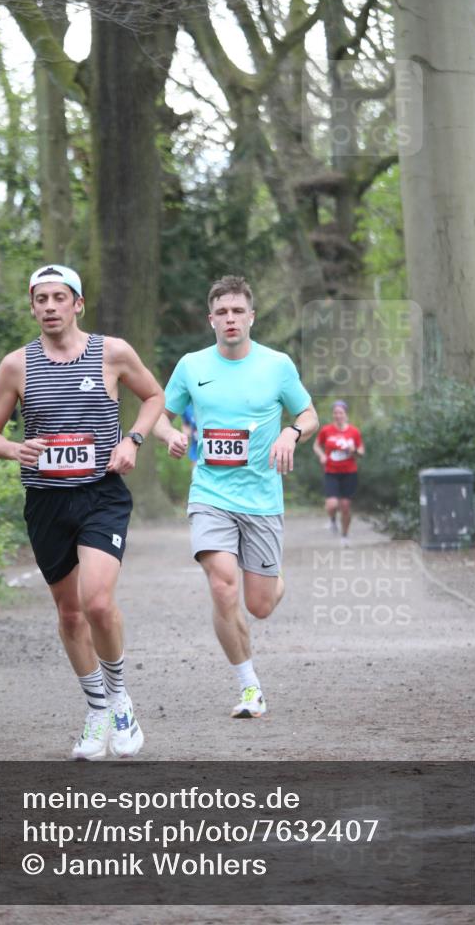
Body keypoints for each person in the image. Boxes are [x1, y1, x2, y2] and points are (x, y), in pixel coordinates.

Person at [0, 264, 164, 760]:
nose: (50, 307)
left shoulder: (113, 352)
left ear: (78, 303)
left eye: (59, 298)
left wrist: (133, 439)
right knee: (69, 611)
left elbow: (154, 396)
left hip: (101, 493)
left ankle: (121, 699)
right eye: (41, 300)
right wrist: (12, 449)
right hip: (46, 501)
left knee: (98, 603)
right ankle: (97, 710)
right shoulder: (16, 365)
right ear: (32, 307)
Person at [154, 275, 318, 718]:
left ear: (251, 317)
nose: (230, 319)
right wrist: (170, 434)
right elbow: (159, 416)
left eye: (237, 311)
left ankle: (274, 580)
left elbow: (308, 412)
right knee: (223, 585)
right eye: (222, 312)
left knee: (259, 605)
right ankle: (249, 687)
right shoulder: (191, 366)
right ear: (211, 320)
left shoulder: (277, 365)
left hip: (262, 498)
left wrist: (291, 432)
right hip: (210, 492)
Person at [313, 400, 364, 547]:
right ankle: (332, 520)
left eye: (340, 412)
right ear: (333, 415)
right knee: (332, 505)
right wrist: (322, 455)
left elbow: (361, 451)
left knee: (346, 506)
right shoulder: (326, 430)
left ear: (345, 414)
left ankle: (345, 535)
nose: (338, 415)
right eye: (335, 413)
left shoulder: (353, 432)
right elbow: (316, 445)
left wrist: (354, 451)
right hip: (331, 471)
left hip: (349, 473)